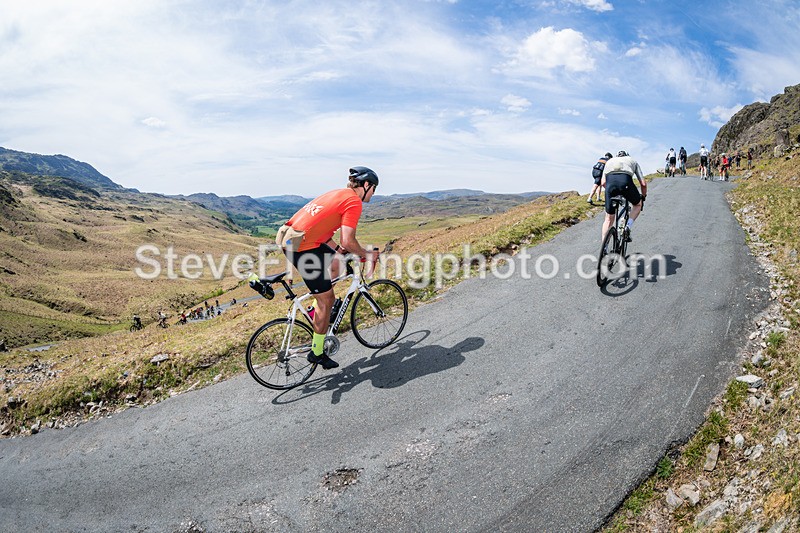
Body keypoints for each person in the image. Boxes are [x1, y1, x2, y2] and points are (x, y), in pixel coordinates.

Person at [276, 166, 381, 369]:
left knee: (338, 263)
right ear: (366, 185)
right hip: (301, 248)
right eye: (374, 188)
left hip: (293, 240)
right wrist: (365, 255)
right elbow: (348, 240)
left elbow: (322, 230)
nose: (374, 193)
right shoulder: (353, 202)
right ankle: (317, 352)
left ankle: (318, 313)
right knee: (327, 299)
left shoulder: (337, 193)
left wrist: (339, 252)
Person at [600, 151, 647, 243]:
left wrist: (613, 191)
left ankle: (604, 247)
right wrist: (643, 196)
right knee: (637, 205)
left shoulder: (609, 161)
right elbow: (643, 183)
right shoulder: (632, 160)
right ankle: (627, 227)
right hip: (626, 183)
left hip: (610, 186)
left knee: (609, 218)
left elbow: (603, 183)